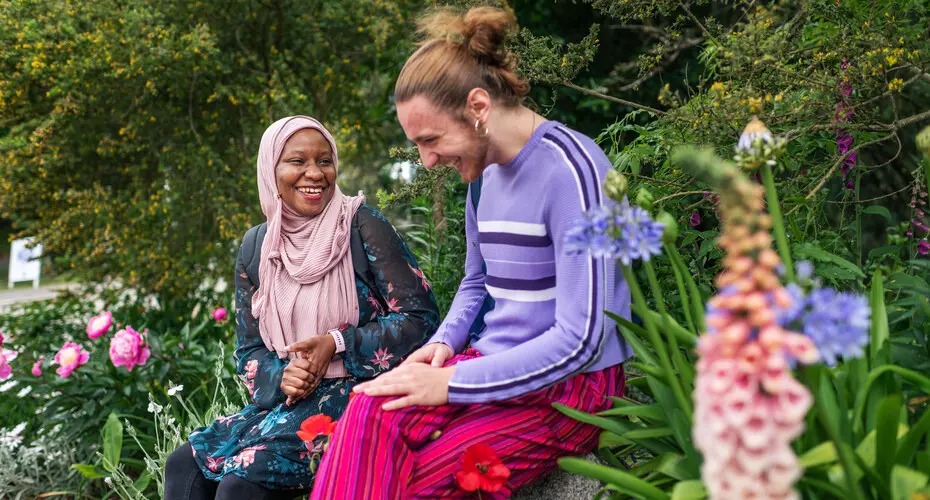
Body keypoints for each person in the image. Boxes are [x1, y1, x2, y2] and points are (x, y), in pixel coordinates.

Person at [310, 7, 632, 499]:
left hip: (573, 388)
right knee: (368, 408)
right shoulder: (481, 179)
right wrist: (446, 343)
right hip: (490, 360)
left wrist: (453, 383)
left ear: (478, 106)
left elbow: (581, 340)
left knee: (418, 482)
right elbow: (477, 282)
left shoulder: (574, 172)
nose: (428, 161)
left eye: (431, 140)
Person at [164, 116, 440, 499]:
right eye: (297, 161)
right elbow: (249, 351)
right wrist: (282, 378)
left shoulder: (361, 226)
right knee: (182, 464)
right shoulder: (257, 247)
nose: (315, 173)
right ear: (270, 170)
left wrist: (337, 343)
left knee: (239, 484)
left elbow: (421, 320)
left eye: (325, 161)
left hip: (359, 397)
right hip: (290, 402)